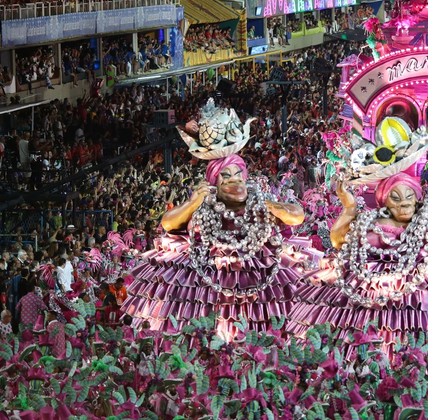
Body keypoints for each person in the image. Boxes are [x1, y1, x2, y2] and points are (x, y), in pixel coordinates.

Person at [288, 119, 428, 349]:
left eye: (410, 197)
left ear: (418, 198)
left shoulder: (426, 218)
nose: (404, 204)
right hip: (371, 299)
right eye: (396, 198)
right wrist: (348, 207)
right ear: (384, 202)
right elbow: (338, 240)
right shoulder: (372, 221)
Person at [122, 100, 318, 341]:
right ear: (214, 182)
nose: (234, 180)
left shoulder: (261, 203)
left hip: (260, 276)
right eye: (225, 176)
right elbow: (168, 224)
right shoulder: (205, 206)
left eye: (238, 174)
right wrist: (192, 203)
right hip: (209, 278)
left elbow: (296, 216)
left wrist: (266, 205)